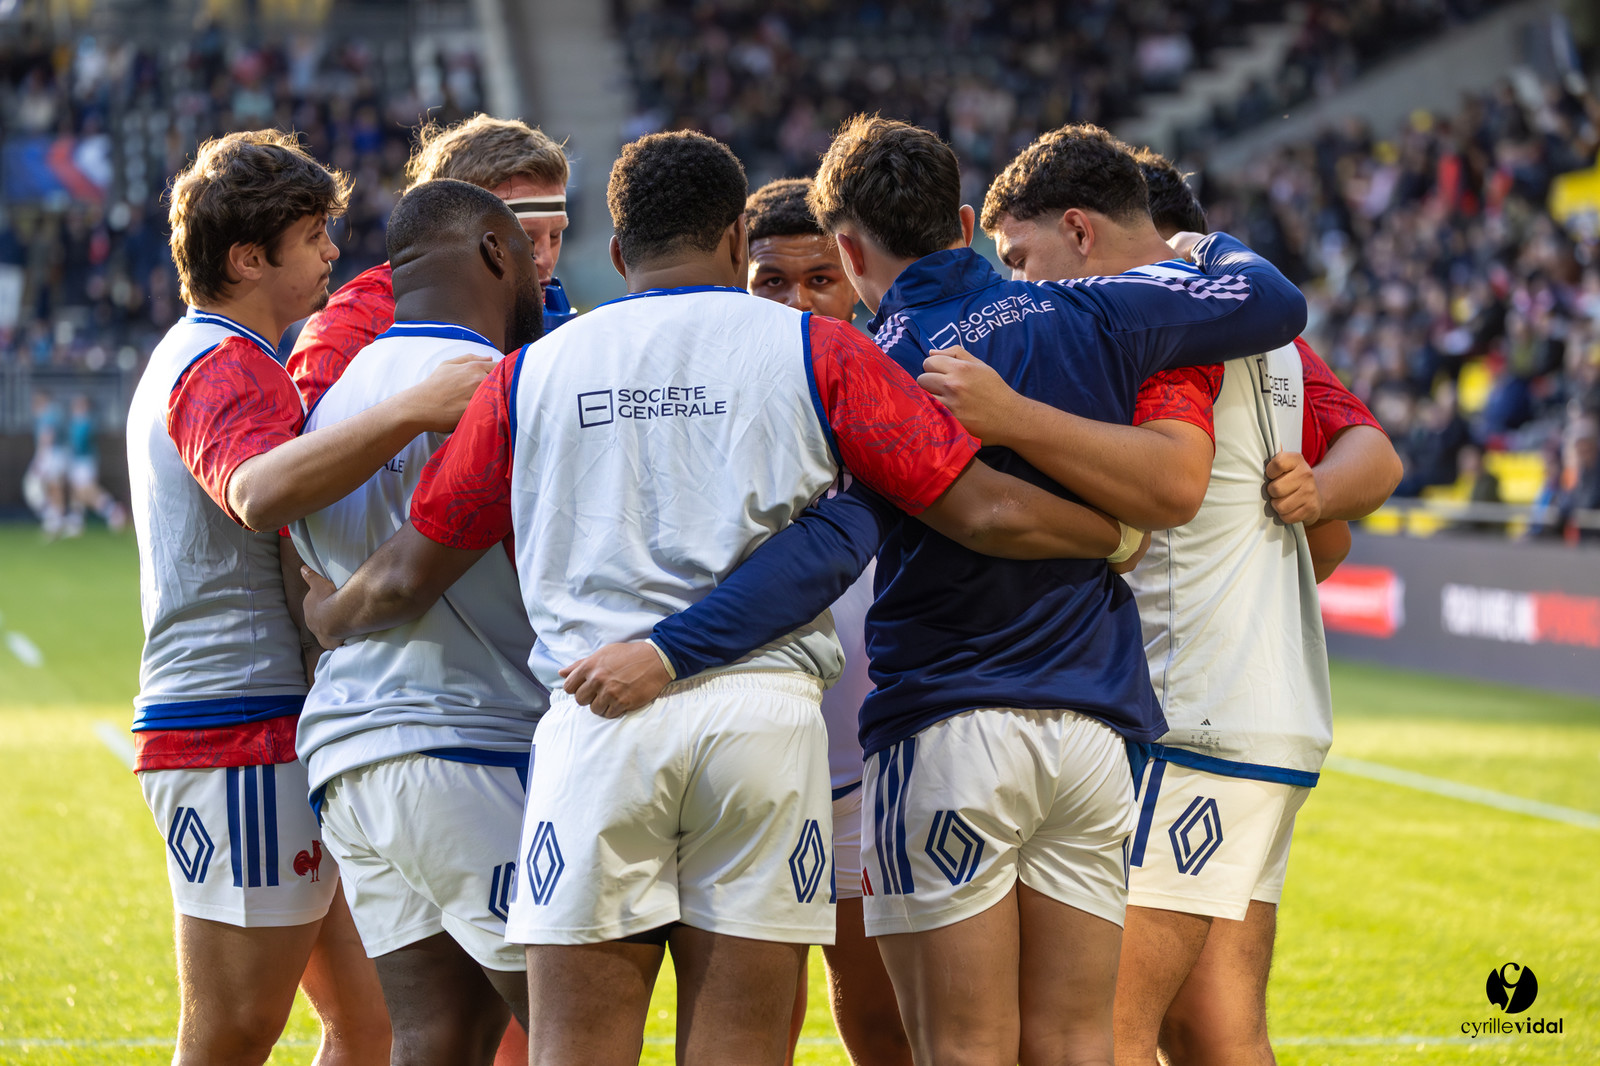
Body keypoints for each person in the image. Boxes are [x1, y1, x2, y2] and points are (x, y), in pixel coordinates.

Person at [299, 129, 1141, 1066]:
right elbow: (981, 510)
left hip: (594, 713)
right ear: (741, 238)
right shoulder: (821, 350)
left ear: (614, 253)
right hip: (760, 719)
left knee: (575, 1045)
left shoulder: (530, 373)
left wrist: (331, 615)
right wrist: (1112, 533)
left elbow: (416, 566)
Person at [562, 117, 1308, 1066]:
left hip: (950, 723)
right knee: (1081, 1041)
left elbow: (840, 542)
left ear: (847, 248)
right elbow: (1272, 301)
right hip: (1094, 731)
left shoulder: (877, 368)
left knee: (959, 1047)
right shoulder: (1091, 310)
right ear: (964, 221)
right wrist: (1202, 244)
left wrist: (672, 647)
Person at [922, 139, 1401, 1066]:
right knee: (1216, 1030)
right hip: (1268, 710)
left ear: (1080, 230)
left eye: (1018, 260)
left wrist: (1013, 421)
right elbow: (1335, 528)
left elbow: (1175, 486)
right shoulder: (1275, 342)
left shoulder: (1157, 327)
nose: (1016, 286)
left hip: (1188, 715)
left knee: (1094, 1030)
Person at [125, 129, 485, 1065]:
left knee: (368, 1027)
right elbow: (256, 488)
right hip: (234, 724)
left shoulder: (218, 352)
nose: (334, 251)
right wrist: (410, 407)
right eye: (315, 234)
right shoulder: (221, 360)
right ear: (248, 258)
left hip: (274, 723)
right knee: (234, 1032)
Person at [288, 178, 548, 1065]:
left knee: (438, 1036)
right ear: (493, 254)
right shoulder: (496, 384)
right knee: (573, 1023)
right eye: (531, 250)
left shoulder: (336, 396)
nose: (542, 271)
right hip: (466, 742)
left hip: (349, 757)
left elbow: (301, 563)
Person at [744, 176, 913, 1066]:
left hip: (872, 761)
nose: (798, 301)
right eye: (773, 282)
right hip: (748, 745)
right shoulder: (721, 399)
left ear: (853, 274)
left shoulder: (904, 386)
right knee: (751, 1021)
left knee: (880, 1021)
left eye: (818, 280)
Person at [289, 113, 575, 411]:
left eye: (555, 235)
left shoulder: (549, 311)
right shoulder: (348, 327)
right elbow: (311, 451)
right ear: (450, 225)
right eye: (525, 239)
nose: (544, 259)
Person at [64, 394, 127, 535]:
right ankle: (76, 521)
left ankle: (113, 510)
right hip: (76, 461)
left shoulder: (87, 423)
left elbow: (79, 443)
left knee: (88, 491)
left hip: (85, 461)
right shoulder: (75, 422)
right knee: (77, 492)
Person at [26, 390, 68, 537]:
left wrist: (41, 458)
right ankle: (55, 519)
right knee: (51, 487)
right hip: (54, 454)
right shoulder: (53, 412)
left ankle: (56, 520)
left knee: (49, 487)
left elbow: (47, 437)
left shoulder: (49, 413)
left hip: (51, 454)